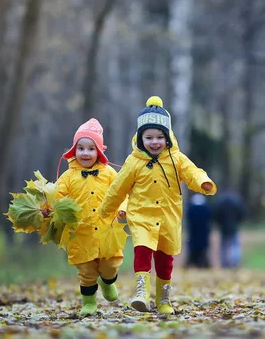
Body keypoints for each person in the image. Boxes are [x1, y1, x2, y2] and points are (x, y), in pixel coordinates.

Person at [98, 96, 217, 314]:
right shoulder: (133, 162)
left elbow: (192, 172)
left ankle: (164, 300)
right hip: (141, 216)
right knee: (142, 251)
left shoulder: (177, 158)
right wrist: (106, 210)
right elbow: (118, 187)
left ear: (168, 138)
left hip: (168, 218)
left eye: (159, 137)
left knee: (165, 261)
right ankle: (142, 294)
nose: (154, 142)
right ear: (140, 138)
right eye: (149, 137)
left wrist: (203, 182)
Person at [53, 118, 127, 317]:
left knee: (110, 265)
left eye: (91, 149)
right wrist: (49, 209)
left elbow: (121, 193)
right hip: (81, 232)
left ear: (99, 152)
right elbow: (56, 198)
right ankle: (89, 302)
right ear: (74, 150)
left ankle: (108, 281)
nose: (85, 153)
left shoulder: (110, 173)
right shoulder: (68, 177)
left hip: (107, 231)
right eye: (81, 148)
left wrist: (122, 209)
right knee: (86, 272)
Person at [214, 189, 246, 269]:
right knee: (234, 245)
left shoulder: (221, 202)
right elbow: (242, 213)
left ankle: (224, 263)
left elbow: (216, 214)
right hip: (233, 227)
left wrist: (219, 223)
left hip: (223, 227)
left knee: (224, 246)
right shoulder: (236, 202)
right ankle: (235, 262)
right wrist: (237, 222)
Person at [185, 193, 212, 268]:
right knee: (202, 250)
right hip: (203, 234)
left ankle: (193, 263)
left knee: (194, 249)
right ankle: (202, 263)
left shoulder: (191, 208)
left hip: (193, 234)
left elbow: (189, 219)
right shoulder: (205, 208)